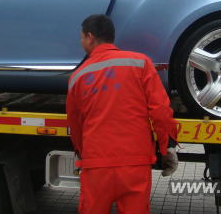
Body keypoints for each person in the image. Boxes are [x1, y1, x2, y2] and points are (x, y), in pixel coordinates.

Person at [67, 14, 179, 214]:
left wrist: (84, 155)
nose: (81, 42)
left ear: (90, 37)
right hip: (135, 164)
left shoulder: (77, 77)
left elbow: (75, 125)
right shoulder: (140, 63)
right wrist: (165, 147)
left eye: (82, 37)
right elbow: (160, 110)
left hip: (97, 166)